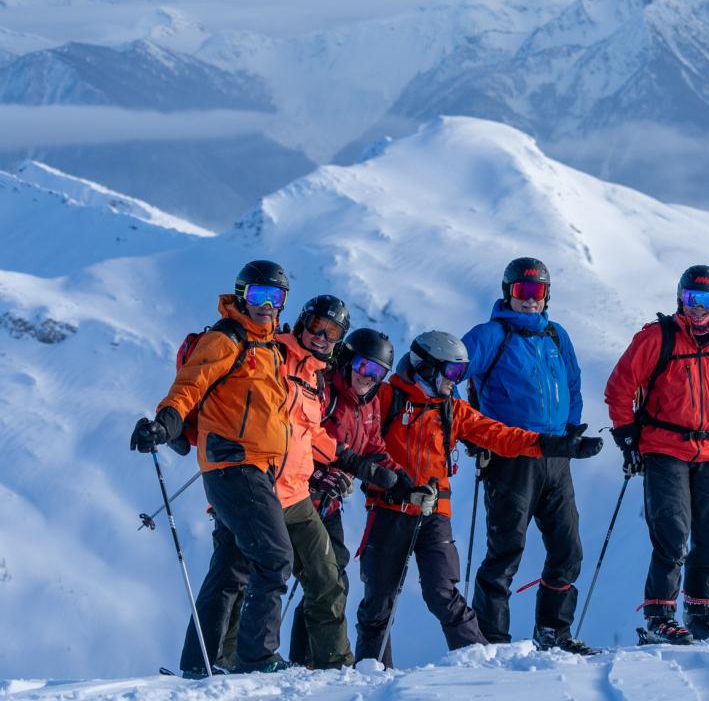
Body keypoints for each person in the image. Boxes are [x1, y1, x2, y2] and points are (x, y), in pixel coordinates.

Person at [353, 331, 602, 665]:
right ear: (427, 367)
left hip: (433, 512)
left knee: (443, 593)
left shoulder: (453, 410)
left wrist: (555, 446)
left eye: (461, 372)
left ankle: (480, 665)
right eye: (452, 371)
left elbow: (500, 436)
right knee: (378, 602)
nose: (456, 380)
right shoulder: (386, 398)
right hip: (388, 510)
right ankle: (370, 672)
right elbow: (358, 438)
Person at [130, 260, 296, 676]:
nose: (266, 305)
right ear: (241, 296)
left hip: (256, 468)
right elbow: (191, 385)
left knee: (231, 567)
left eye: (275, 297)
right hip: (234, 466)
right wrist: (165, 423)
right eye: (258, 295)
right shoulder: (226, 338)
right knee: (275, 558)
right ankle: (258, 658)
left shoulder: (269, 348)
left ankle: (198, 663)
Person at [604, 265, 709, 645]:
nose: (698, 308)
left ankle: (701, 612)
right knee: (672, 530)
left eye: (706, 300)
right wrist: (627, 438)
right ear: (680, 299)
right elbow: (619, 388)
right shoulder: (657, 338)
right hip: (664, 446)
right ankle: (660, 617)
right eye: (692, 298)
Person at [464, 258, 595, 655]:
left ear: (547, 295)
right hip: (510, 457)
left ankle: (553, 631)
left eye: (537, 291)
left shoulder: (556, 335)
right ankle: (493, 641)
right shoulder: (490, 335)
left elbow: (572, 381)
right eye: (522, 291)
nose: (530, 299)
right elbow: (449, 373)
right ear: (508, 293)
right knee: (505, 550)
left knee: (568, 549)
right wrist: (470, 430)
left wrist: (570, 429)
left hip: (555, 456)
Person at [291, 323, 401, 666]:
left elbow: (373, 448)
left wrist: (401, 479)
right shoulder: (325, 391)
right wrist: (320, 475)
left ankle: (306, 659)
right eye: (364, 366)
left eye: (378, 372)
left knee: (333, 575)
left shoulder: (369, 404)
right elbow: (299, 438)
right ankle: (311, 659)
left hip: (329, 503)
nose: (369, 377)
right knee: (315, 577)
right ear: (347, 360)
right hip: (299, 496)